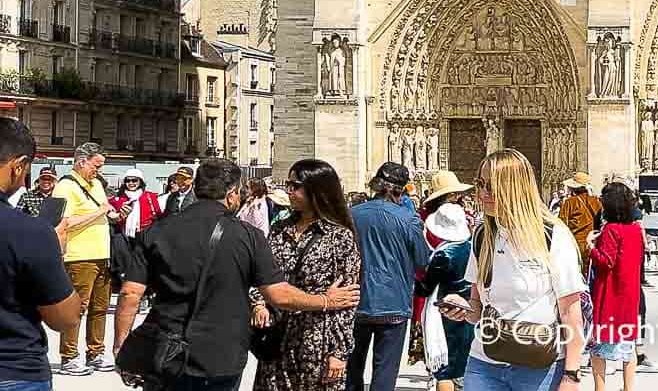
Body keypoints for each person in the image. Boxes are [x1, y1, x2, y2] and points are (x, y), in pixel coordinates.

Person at [114, 156, 358, 391]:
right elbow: (275, 291)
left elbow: (130, 294)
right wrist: (321, 301)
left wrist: (121, 343)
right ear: (231, 194)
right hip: (237, 349)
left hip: (167, 350)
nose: (289, 191)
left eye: (295, 186)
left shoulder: (156, 232)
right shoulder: (257, 234)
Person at [441, 147, 586, 391]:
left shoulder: (551, 235)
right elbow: (478, 307)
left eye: (492, 186)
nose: (482, 193)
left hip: (539, 365)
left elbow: (571, 312)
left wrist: (571, 376)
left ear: (515, 188)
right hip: (484, 362)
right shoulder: (483, 234)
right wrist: (462, 307)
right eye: (480, 184)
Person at [250, 157, 362, 391]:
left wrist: (339, 352)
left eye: (294, 186)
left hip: (317, 340)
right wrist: (259, 303)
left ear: (316, 190)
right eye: (287, 185)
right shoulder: (280, 230)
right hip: (278, 337)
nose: (288, 191)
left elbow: (348, 300)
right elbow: (261, 273)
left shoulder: (339, 237)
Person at [0, 117, 83, 389]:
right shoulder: (29, 231)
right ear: (18, 166)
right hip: (14, 369)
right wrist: (55, 250)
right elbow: (64, 318)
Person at [346, 162, 430, 391]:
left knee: (351, 368)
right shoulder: (408, 219)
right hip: (394, 302)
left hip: (356, 301)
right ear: (400, 190)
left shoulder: (352, 215)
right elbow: (423, 260)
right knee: (385, 372)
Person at [53, 142, 115, 374]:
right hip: (80, 256)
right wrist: (100, 211)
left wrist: (113, 214)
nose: (98, 170)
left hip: (102, 254)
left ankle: (95, 353)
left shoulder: (96, 184)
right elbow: (64, 223)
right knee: (77, 309)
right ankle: (69, 356)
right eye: (96, 165)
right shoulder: (65, 187)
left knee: (100, 308)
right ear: (81, 162)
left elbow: (102, 210)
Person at [587, 180, 645, 390]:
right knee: (627, 347)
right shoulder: (636, 230)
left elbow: (605, 262)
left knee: (598, 348)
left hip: (610, 296)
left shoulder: (611, 230)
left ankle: (600, 388)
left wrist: (590, 247)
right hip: (629, 295)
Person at [416, 181, 473, 391]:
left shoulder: (443, 254)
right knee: (463, 360)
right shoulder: (470, 246)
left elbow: (426, 287)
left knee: (445, 368)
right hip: (468, 306)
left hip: (445, 310)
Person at [556, 176, 601, 267]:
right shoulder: (596, 200)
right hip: (593, 241)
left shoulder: (569, 202)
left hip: (575, 243)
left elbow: (561, 224)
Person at [113, 175, 162, 240]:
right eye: (128, 181)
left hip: (146, 234)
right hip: (126, 235)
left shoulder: (150, 196)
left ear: (140, 182)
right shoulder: (120, 198)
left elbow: (158, 214)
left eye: (134, 180)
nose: (131, 183)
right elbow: (116, 220)